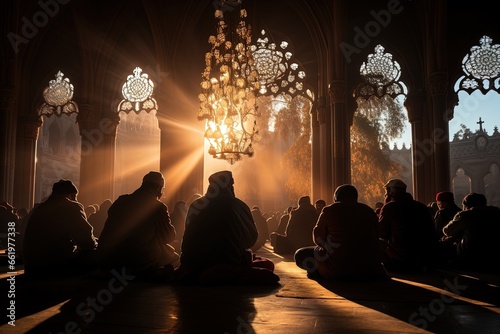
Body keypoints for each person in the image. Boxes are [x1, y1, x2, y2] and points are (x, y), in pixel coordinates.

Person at [176, 170, 279, 285]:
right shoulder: (239, 205)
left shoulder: (196, 205)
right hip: (228, 261)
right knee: (266, 264)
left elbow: (188, 234)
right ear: (230, 185)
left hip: (193, 263)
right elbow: (251, 239)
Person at [97, 171, 179, 281]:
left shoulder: (120, 201)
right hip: (137, 261)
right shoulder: (158, 207)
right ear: (159, 189)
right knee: (174, 257)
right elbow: (168, 236)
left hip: (110, 260)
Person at [295, 185, 387, 281]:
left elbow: (318, 238)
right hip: (370, 269)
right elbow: (377, 237)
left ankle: (318, 272)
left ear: (336, 197)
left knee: (300, 255)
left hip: (336, 269)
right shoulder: (369, 211)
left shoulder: (329, 210)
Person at [22, 179, 98, 277]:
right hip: (55, 265)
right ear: (70, 195)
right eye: (75, 197)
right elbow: (86, 241)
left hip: (32, 266)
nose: (76, 200)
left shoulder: (40, 208)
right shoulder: (71, 207)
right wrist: (96, 243)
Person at [378, 179, 438, 272]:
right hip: (421, 259)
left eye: (386, 191)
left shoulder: (390, 207)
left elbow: (381, 233)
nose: (385, 194)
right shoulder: (421, 207)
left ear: (391, 191)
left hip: (401, 259)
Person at [441, 192, 500, 273]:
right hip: (493, 256)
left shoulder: (467, 215)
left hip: (470, 256)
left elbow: (447, 231)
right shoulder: (496, 214)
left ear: (466, 205)